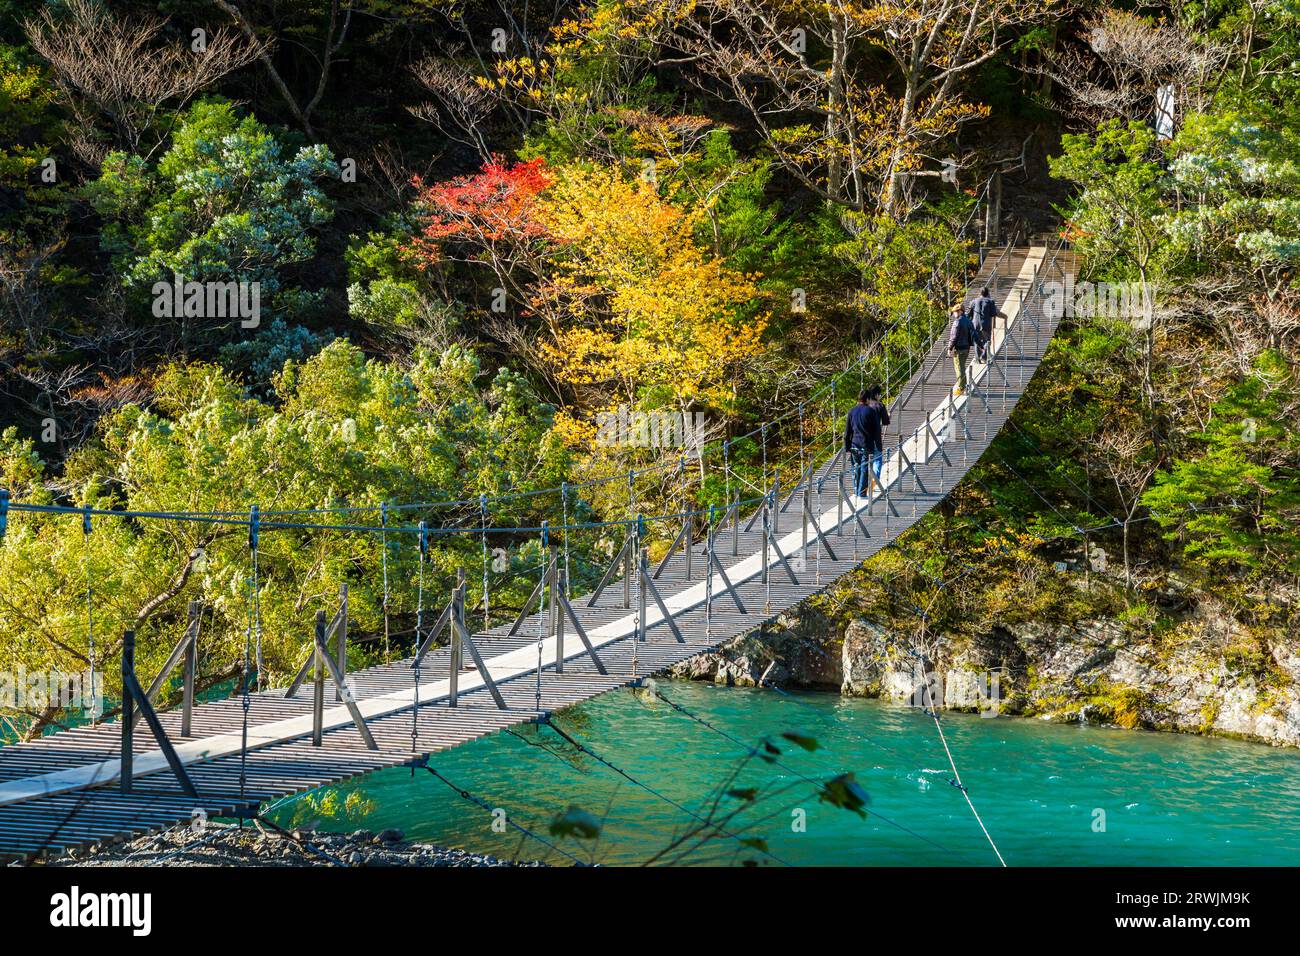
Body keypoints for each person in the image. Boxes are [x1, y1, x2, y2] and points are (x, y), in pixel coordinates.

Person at [843, 385, 890, 497]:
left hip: (854, 444)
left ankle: (856, 491)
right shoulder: (870, 411)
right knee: (864, 469)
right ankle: (862, 493)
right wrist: (878, 445)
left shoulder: (851, 411)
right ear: (868, 399)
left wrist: (847, 447)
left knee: (857, 468)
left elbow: (847, 431)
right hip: (866, 444)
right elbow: (876, 430)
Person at [947, 303, 984, 396]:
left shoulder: (957, 322)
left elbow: (953, 337)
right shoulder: (968, 321)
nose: (954, 314)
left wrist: (950, 348)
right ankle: (964, 386)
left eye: (955, 312)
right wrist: (981, 346)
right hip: (966, 349)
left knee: (959, 368)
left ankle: (961, 388)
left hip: (959, 349)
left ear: (960, 311)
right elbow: (974, 335)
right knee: (962, 367)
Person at [967, 286, 1005, 361]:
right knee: (986, 340)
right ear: (988, 293)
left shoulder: (974, 301)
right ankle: (984, 357)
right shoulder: (990, 301)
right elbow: (994, 313)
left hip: (975, 324)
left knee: (977, 340)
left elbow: (969, 314)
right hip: (986, 324)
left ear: (980, 293)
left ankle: (978, 358)